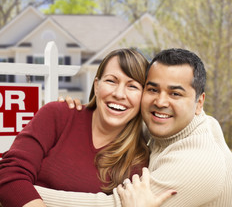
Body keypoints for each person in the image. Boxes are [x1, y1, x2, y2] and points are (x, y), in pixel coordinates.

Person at [35, 48, 232, 206]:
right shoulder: (167, 127)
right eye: (153, 89)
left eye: (175, 94)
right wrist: (79, 112)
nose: (161, 102)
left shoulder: (198, 164)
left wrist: (24, 193)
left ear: (199, 103)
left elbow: (114, 205)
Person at [0, 48, 151, 207]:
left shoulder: (138, 159)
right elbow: (10, 175)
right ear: (96, 86)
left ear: (144, 97)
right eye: (111, 81)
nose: (119, 94)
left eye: (132, 86)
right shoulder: (58, 115)